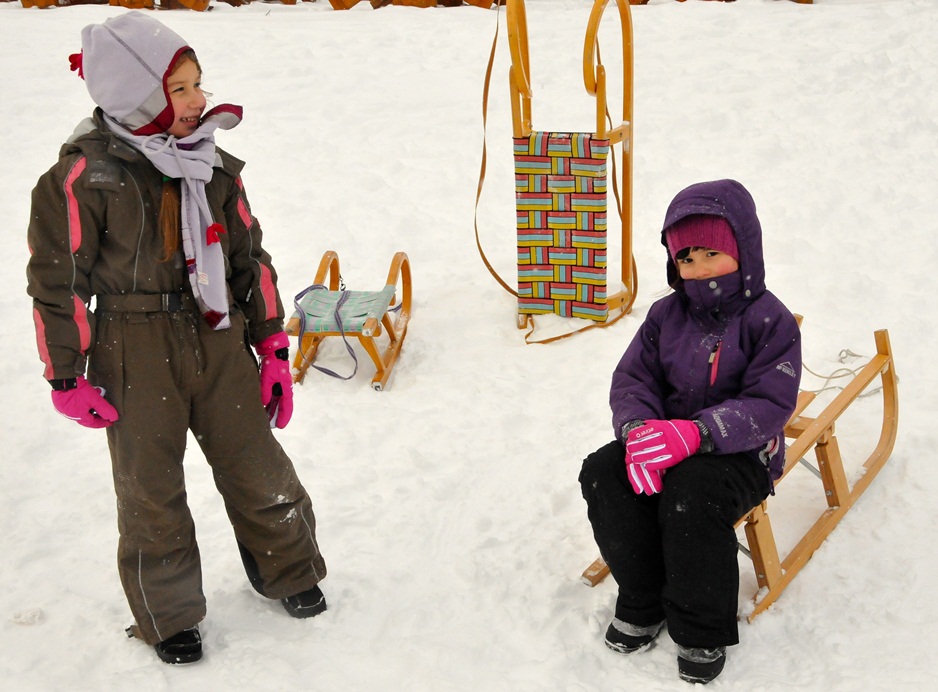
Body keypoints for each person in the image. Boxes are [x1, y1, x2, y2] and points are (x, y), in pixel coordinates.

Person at [26, 12, 328, 665]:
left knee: (255, 459)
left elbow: (252, 256)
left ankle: (292, 569)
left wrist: (272, 346)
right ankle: (168, 614)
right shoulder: (85, 176)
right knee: (149, 486)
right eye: (181, 88)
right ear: (135, 93)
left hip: (218, 334)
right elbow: (59, 283)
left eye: (198, 84)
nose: (198, 100)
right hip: (131, 346)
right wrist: (65, 374)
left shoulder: (211, 162)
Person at [578, 179, 801, 684]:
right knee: (603, 473)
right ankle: (642, 595)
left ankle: (701, 629)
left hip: (742, 453)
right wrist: (637, 432)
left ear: (743, 248)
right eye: (686, 259)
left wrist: (698, 433)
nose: (697, 269)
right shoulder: (664, 315)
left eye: (710, 253)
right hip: (667, 440)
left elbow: (771, 403)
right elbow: (634, 378)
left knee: (691, 493)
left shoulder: (770, 321)